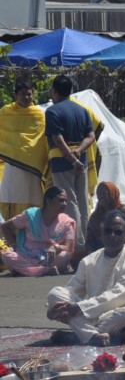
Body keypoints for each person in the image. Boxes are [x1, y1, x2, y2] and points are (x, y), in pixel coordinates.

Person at [47, 210, 125, 347]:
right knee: (56, 293)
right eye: (108, 231)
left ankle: (79, 335)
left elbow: (119, 295)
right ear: (101, 234)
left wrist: (80, 308)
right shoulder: (89, 261)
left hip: (117, 315)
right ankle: (93, 336)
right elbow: (72, 290)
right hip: (89, 315)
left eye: (118, 232)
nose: (112, 235)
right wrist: (54, 309)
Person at [44, 75, 96, 250]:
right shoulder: (82, 110)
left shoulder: (52, 111)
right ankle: (86, 241)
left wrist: (72, 159)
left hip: (62, 162)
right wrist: (78, 153)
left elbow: (58, 139)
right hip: (82, 161)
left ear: (54, 91)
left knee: (69, 202)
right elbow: (91, 137)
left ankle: (76, 245)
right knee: (83, 201)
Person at [0, 187, 76, 276]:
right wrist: (14, 245)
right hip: (26, 256)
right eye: (61, 200)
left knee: (65, 255)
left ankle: (25, 271)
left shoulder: (66, 222)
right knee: (7, 256)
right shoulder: (30, 216)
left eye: (66, 201)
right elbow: (5, 227)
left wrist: (56, 247)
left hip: (50, 259)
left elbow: (69, 248)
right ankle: (45, 271)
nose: (65, 204)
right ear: (48, 201)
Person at [0, 80, 46, 220]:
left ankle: (33, 226)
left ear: (33, 95)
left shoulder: (39, 114)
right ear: (15, 96)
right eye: (22, 94)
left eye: (29, 94)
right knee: (11, 195)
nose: (26, 97)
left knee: (33, 195)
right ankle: (12, 228)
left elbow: (41, 139)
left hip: (33, 166)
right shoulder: (6, 112)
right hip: (12, 163)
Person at [78, 181, 125, 262]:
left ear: (113, 194)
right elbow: (89, 237)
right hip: (100, 249)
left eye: (104, 193)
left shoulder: (124, 210)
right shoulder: (96, 215)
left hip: (122, 246)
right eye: (99, 193)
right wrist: (91, 255)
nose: (101, 196)